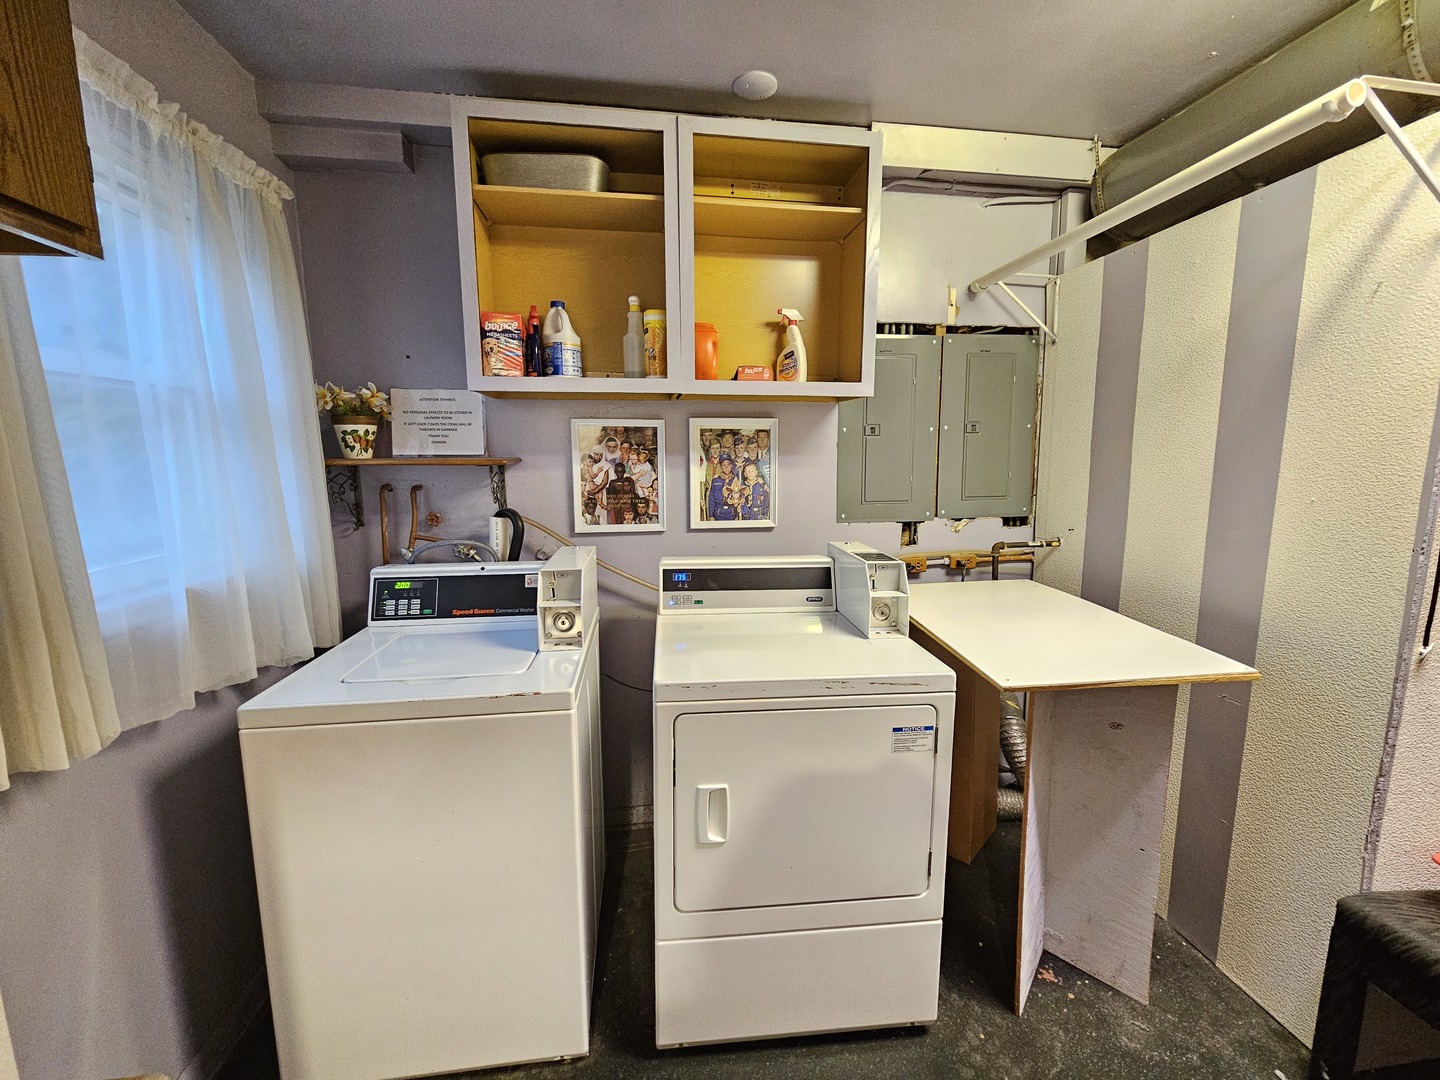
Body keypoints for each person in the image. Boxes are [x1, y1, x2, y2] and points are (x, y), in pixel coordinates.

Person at [707, 456, 739, 521]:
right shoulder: (715, 480)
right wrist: (711, 515)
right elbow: (711, 498)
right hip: (718, 512)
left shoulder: (736, 480)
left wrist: (737, 515)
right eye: (724, 465)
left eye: (728, 464)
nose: (726, 467)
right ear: (720, 466)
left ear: (732, 465)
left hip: (732, 512)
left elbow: (740, 498)